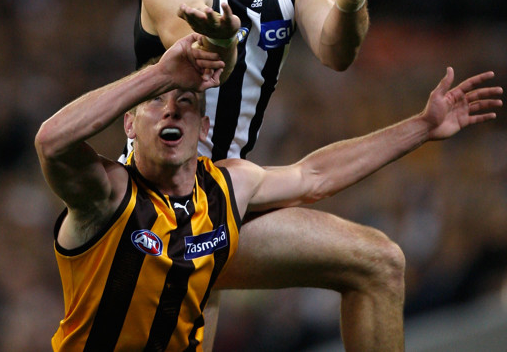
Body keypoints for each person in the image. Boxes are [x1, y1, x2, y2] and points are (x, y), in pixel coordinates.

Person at [36, 32, 502, 351]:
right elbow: (52, 142)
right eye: (154, 104)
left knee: (381, 257)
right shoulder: (107, 195)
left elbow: (314, 175)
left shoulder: (226, 186)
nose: (170, 112)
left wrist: (422, 127)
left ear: (204, 128)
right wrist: (160, 74)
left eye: (185, 103)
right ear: (129, 125)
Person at [133, 0, 400, 349]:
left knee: (379, 263)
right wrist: (220, 38)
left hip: (232, 192)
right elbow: (208, 61)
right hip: (159, 204)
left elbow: (337, 52)